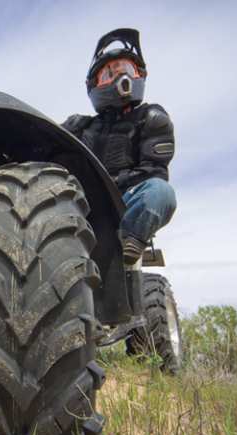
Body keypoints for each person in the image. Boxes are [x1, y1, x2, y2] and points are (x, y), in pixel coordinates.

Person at [62, 28, 176, 265]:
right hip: (78, 200)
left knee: (160, 192)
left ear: (139, 75)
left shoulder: (151, 117)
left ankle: (126, 246)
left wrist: (108, 186)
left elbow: (155, 171)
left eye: (126, 69)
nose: (119, 77)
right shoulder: (79, 125)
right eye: (109, 73)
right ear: (94, 84)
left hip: (121, 204)